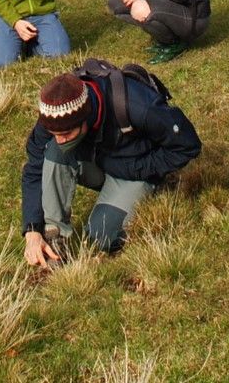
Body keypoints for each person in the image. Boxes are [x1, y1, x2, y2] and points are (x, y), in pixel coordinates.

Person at [20, 66, 201, 265]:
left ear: (85, 117)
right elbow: (36, 167)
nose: (60, 139)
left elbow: (187, 146)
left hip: (135, 172)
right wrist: (32, 229)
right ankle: (54, 236)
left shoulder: (137, 105)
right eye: (55, 134)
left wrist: (140, 168)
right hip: (102, 163)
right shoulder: (55, 114)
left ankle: (151, 191)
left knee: (101, 236)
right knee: (53, 151)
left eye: (67, 134)